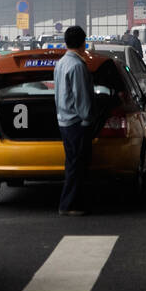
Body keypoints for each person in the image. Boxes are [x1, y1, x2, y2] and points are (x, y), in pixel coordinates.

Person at [54, 25, 95, 216]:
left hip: (63, 120)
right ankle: (69, 204)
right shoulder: (78, 65)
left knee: (71, 163)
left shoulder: (61, 63)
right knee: (77, 165)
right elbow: (82, 97)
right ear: (83, 43)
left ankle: (70, 203)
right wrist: (88, 119)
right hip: (76, 123)